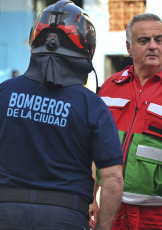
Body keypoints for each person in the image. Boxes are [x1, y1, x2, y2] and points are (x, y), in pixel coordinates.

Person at [0, 1, 124, 229]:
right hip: (64, 217)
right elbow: (114, 179)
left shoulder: (4, 92)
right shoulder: (92, 106)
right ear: (86, 47)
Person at [97, 13, 162, 230]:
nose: (153, 46)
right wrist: (90, 196)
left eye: (158, 40)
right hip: (114, 207)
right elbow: (93, 146)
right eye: (144, 41)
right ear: (129, 47)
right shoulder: (111, 86)